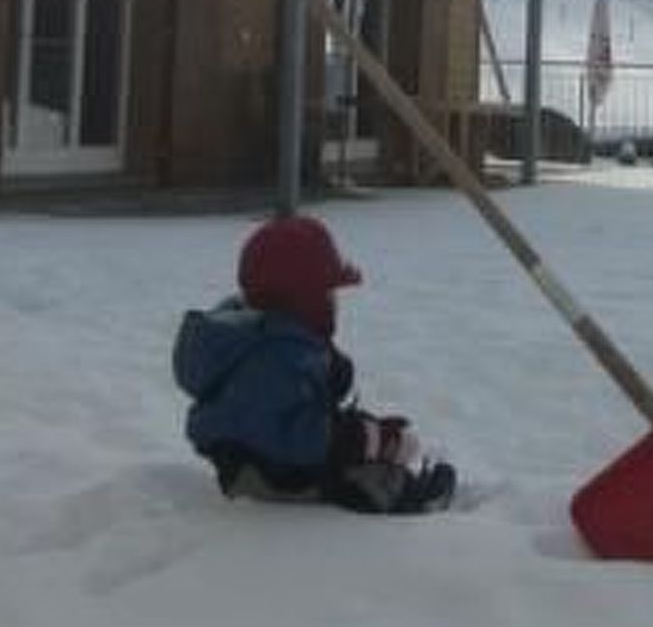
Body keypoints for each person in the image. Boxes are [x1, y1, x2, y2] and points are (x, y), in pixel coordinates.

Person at [173, 214, 458, 514]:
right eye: (328, 293)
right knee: (364, 486)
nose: (334, 302)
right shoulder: (272, 359)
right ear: (303, 298)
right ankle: (415, 503)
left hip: (268, 464)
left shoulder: (269, 342)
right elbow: (285, 433)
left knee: (350, 449)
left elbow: (290, 406)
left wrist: (330, 370)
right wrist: (360, 438)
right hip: (269, 477)